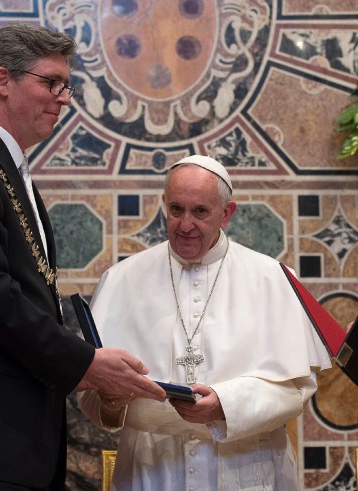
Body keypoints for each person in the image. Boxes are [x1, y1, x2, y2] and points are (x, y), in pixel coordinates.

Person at [0, 24, 165, 490]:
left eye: (66, 86)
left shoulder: (12, 170)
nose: (63, 98)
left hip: (14, 438)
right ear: (3, 81)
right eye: (51, 83)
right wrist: (84, 361)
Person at [79, 155, 331, 490]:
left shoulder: (271, 278)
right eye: (176, 210)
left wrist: (225, 405)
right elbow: (95, 401)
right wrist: (110, 401)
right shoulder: (121, 279)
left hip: (246, 469)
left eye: (200, 212)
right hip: (151, 471)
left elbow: (297, 390)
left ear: (227, 213)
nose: (184, 225)